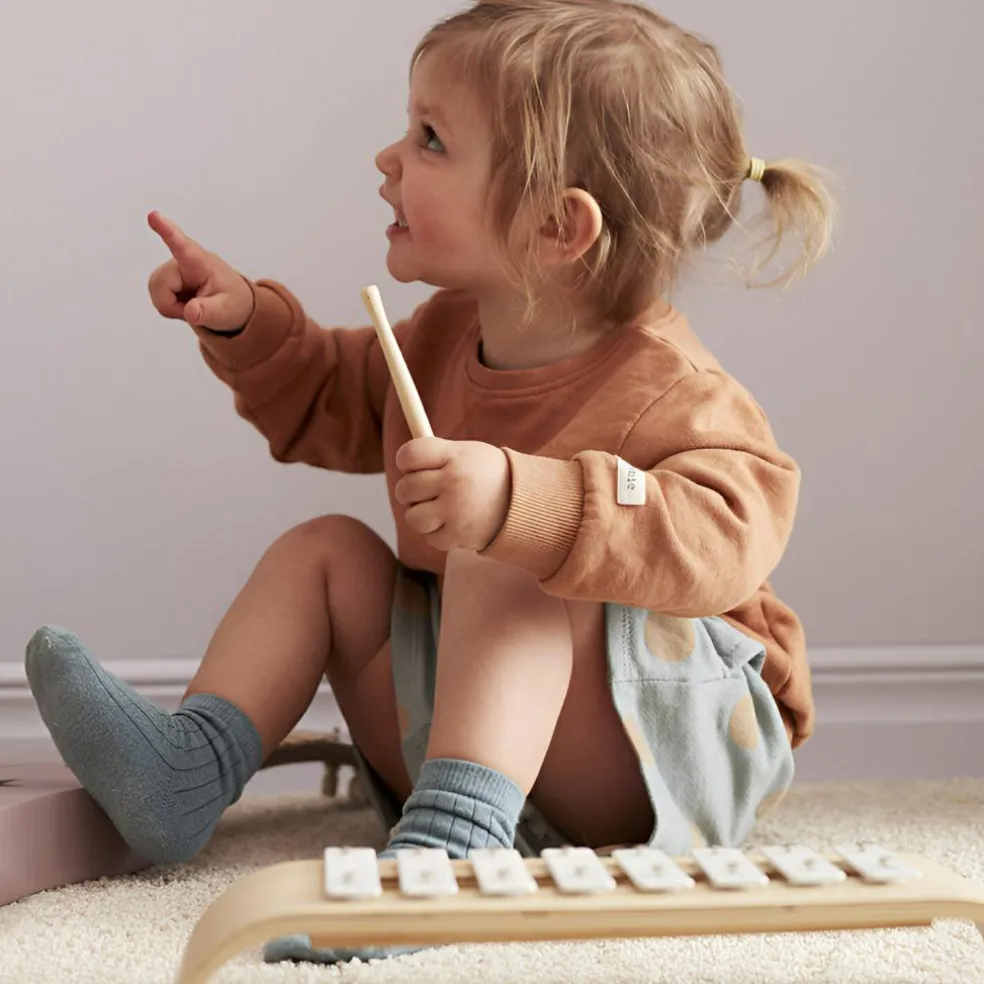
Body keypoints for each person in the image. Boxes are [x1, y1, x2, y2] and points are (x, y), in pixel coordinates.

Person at [25, 0, 834, 966]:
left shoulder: (676, 390)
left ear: (555, 225)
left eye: (431, 139)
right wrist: (244, 323)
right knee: (325, 548)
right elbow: (331, 395)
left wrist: (523, 502)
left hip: (669, 751)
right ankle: (190, 771)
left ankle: (452, 856)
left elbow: (723, 538)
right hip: (491, 732)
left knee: (505, 553)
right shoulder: (448, 331)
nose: (388, 159)